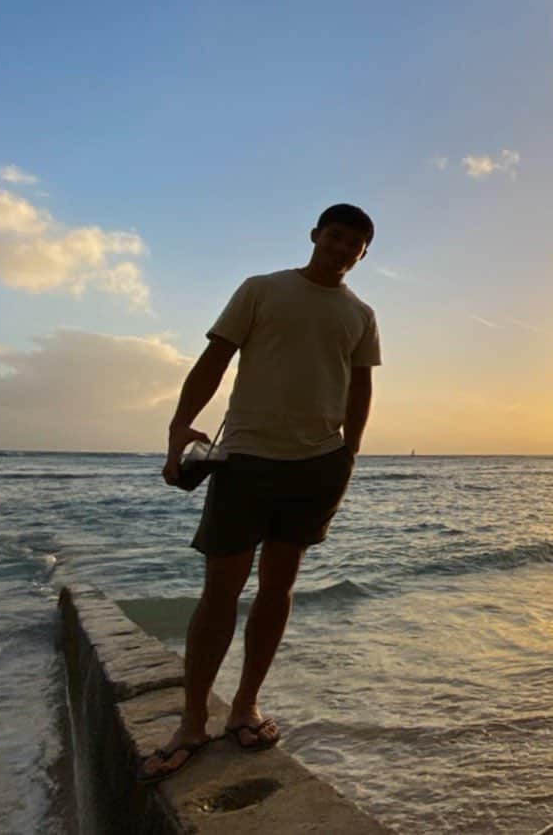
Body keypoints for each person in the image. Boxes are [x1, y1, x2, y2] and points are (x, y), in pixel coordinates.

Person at [138, 203, 381, 784]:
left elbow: (361, 387)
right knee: (220, 591)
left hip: (317, 463)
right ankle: (193, 720)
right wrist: (178, 427)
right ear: (316, 235)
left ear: (364, 254)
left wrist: (350, 454)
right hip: (246, 458)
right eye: (336, 236)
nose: (343, 248)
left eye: (356, 243)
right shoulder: (262, 290)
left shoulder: (361, 315)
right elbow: (214, 359)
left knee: (278, 588)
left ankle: (245, 705)